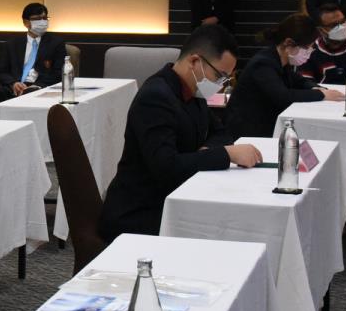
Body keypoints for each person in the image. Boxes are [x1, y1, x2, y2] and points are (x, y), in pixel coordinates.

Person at [99, 25, 263, 241]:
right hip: (139, 213)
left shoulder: (193, 91)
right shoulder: (156, 97)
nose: (221, 85)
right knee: (229, 230)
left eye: (227, 79)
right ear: (195, 61)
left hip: (174, 197)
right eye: (219, 76)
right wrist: (227, 154)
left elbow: (221, 133)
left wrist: (207, 151)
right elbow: (166, 167)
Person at [224, 13, 346, 140]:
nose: (309, 52)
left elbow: (299, 81)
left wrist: (316, 88)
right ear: (288, 43)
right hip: (247, 131)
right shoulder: (263, 64)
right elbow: (283, 96)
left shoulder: (281, 60)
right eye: (307, 47)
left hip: (264, 124)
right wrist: (321, 95)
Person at [0, 2, 67, 106]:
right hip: (17, 85)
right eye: (37, 19)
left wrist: (36, 86)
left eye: (44, 18)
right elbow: (2, 72)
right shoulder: (12, 44)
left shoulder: (56, 43)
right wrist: (13, 83)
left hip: (40, 86)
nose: (42, 22)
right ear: (26, 22)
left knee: (31, 93)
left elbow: (58, 73)